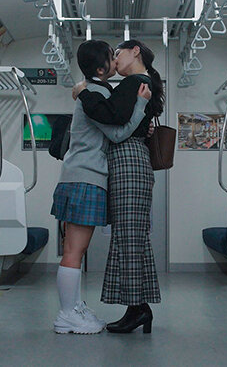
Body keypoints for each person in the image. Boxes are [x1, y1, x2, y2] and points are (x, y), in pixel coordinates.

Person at [52, 40, 152, 335]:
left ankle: (73, 307)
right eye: (112, 56)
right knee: (75, 250)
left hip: (79, 176)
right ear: (100, 69)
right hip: (86, 178)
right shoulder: (96, 92)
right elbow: (118, 134)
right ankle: (68, 314)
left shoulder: (94, 90)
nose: (116, 60)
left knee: (74, 249)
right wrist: (141, 107)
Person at [73, 39, 165, 334]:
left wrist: (83, 92)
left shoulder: (134, 83)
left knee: (128, 238)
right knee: (132, 237)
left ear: (135, 51)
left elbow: (110, 116)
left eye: (118, 53)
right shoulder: (141, 83)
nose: (115, 60)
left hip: (128, 162)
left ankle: (138, 310)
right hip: (133, 161)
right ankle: (138, 308)